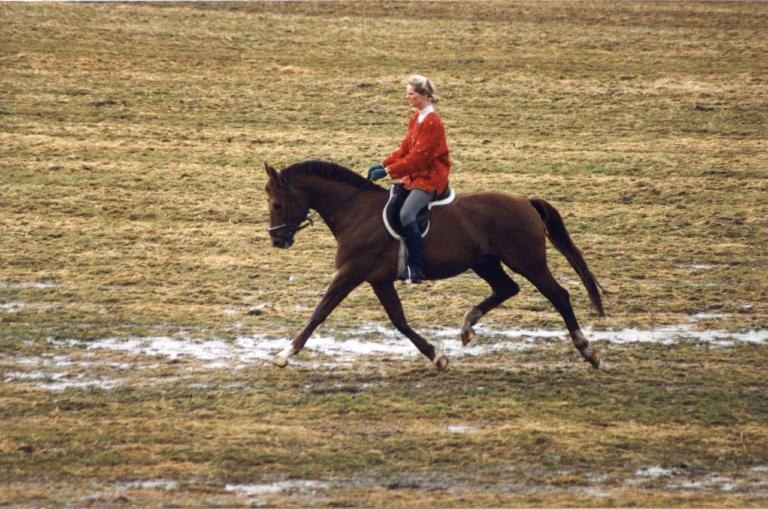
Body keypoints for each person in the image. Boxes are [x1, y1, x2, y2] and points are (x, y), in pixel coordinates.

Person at [368, 75, 451, 284]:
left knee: (407, 214)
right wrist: (383, 164)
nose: (407, 97)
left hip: (429, 180)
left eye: (411, 94)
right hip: (413, 178)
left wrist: (388, 173)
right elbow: (405, 149)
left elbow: (419, 159)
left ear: (424, 95)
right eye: (408, 93)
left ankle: (416, 267)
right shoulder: (415, 118)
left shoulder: (433, 123)